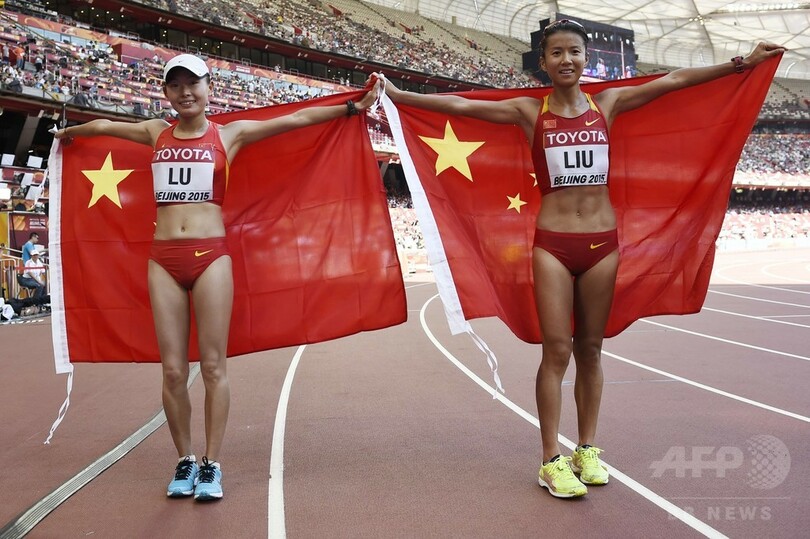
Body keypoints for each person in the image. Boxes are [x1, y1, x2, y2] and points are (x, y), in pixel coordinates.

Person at [379, 21, 784, 499]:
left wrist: (742, 63)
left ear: (585, 58)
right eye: (556, 53)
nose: (566, 59)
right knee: (556, 351)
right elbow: (461, 106)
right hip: (553, 245)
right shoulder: (529, 111)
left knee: (590, 349)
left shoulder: (606, 104)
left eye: (574, 51)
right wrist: (399, 96)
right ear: (544, 62)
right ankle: (551, 458)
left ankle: (586, 450)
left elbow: (673, 81)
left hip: (602, 246)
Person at [54, 54, 377, 501]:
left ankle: (211, 464)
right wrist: (70, 134)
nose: (185, 92)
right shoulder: (154, 132)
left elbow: (296, 119)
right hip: (163, 260)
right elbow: (105, 127)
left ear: (209, 88)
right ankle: (185, 459)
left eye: (193, 84)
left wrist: (351, 108)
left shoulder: (229, 134)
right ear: (166, 92)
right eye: (176, 85)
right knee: (172, 370)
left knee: (211, 366)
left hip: (211, 257)